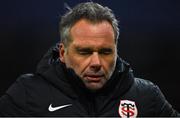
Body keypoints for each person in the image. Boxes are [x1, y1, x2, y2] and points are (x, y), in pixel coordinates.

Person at [0, 2, 179, 117]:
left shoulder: (146, 97)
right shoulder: (27, 94)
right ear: (63, 53)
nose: (96, 63)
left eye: (105, 52)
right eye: (84, 52)